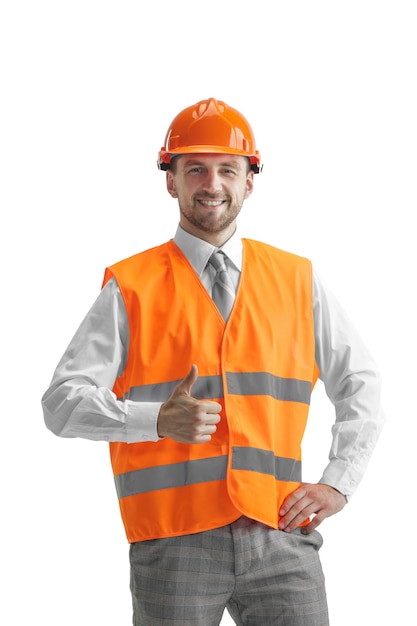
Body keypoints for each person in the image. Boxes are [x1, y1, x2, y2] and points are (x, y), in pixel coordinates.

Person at [42, 97, 385, 625]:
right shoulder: (131, 286)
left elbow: (359, 382)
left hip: (280, 534)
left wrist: (339, 480)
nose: (212, 183)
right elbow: (61, 403)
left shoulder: (297, 279)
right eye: (195, 168)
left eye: (228, 169)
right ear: (170, 179)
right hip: (173, 543)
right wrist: (153, 419)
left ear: (250, 180)